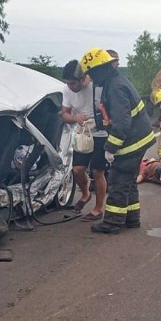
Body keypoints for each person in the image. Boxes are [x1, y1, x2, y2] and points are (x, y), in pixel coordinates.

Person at [79, 47, 156, 234]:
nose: (92, 78)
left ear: (100, 69)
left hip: (131, 142)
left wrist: (110, 148)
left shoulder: (114, 87)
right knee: (128, 181)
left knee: (118, 181)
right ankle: (131, 218)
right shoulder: (115, 81)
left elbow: (121, 123)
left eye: (92, 73)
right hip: (138, 139)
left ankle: (113, 222)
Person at [60, 59, 109, 221]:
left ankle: (98, 208)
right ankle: (86, 193)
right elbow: (64, 114)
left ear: (83, 79)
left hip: (100, 135)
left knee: (97, 171)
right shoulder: (67, 91)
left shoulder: (96, 87)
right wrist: (75, 118)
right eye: (68, 83)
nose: (70, 87)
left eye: (73, 83)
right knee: (78, 170)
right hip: (81, 134)